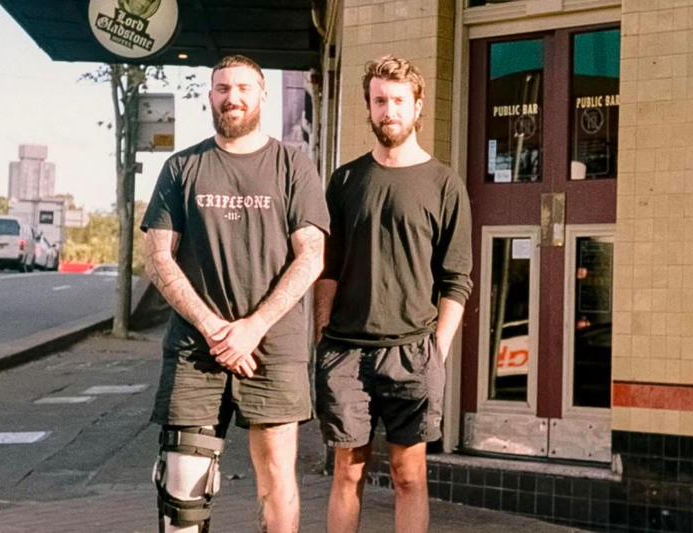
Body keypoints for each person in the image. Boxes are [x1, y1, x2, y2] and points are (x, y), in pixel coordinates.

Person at [142, 54, 329, 533]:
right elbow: (158, 257)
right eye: (223, 88)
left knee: (276, 480)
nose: (233, 97)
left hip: (272, 347)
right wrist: (214, 329)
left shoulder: (293, 166)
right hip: (195, 351)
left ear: (263, 95)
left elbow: (311, 256)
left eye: (244, 88)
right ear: (210, 97)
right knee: (183, 486)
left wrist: (252, 328)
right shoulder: (182, 167)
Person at [314, 55, 473, 533]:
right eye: (380, 101)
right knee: (347, 472)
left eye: (399, 101)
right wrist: (322, 333)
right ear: (368, 107)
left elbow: (456, 278)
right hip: (346, 351)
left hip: (412, 353)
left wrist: (437, 351)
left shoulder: (444, 184)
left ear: (417, 106)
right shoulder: (345, 181)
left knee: (409, 476)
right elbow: (327, 268)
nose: (389, 111)